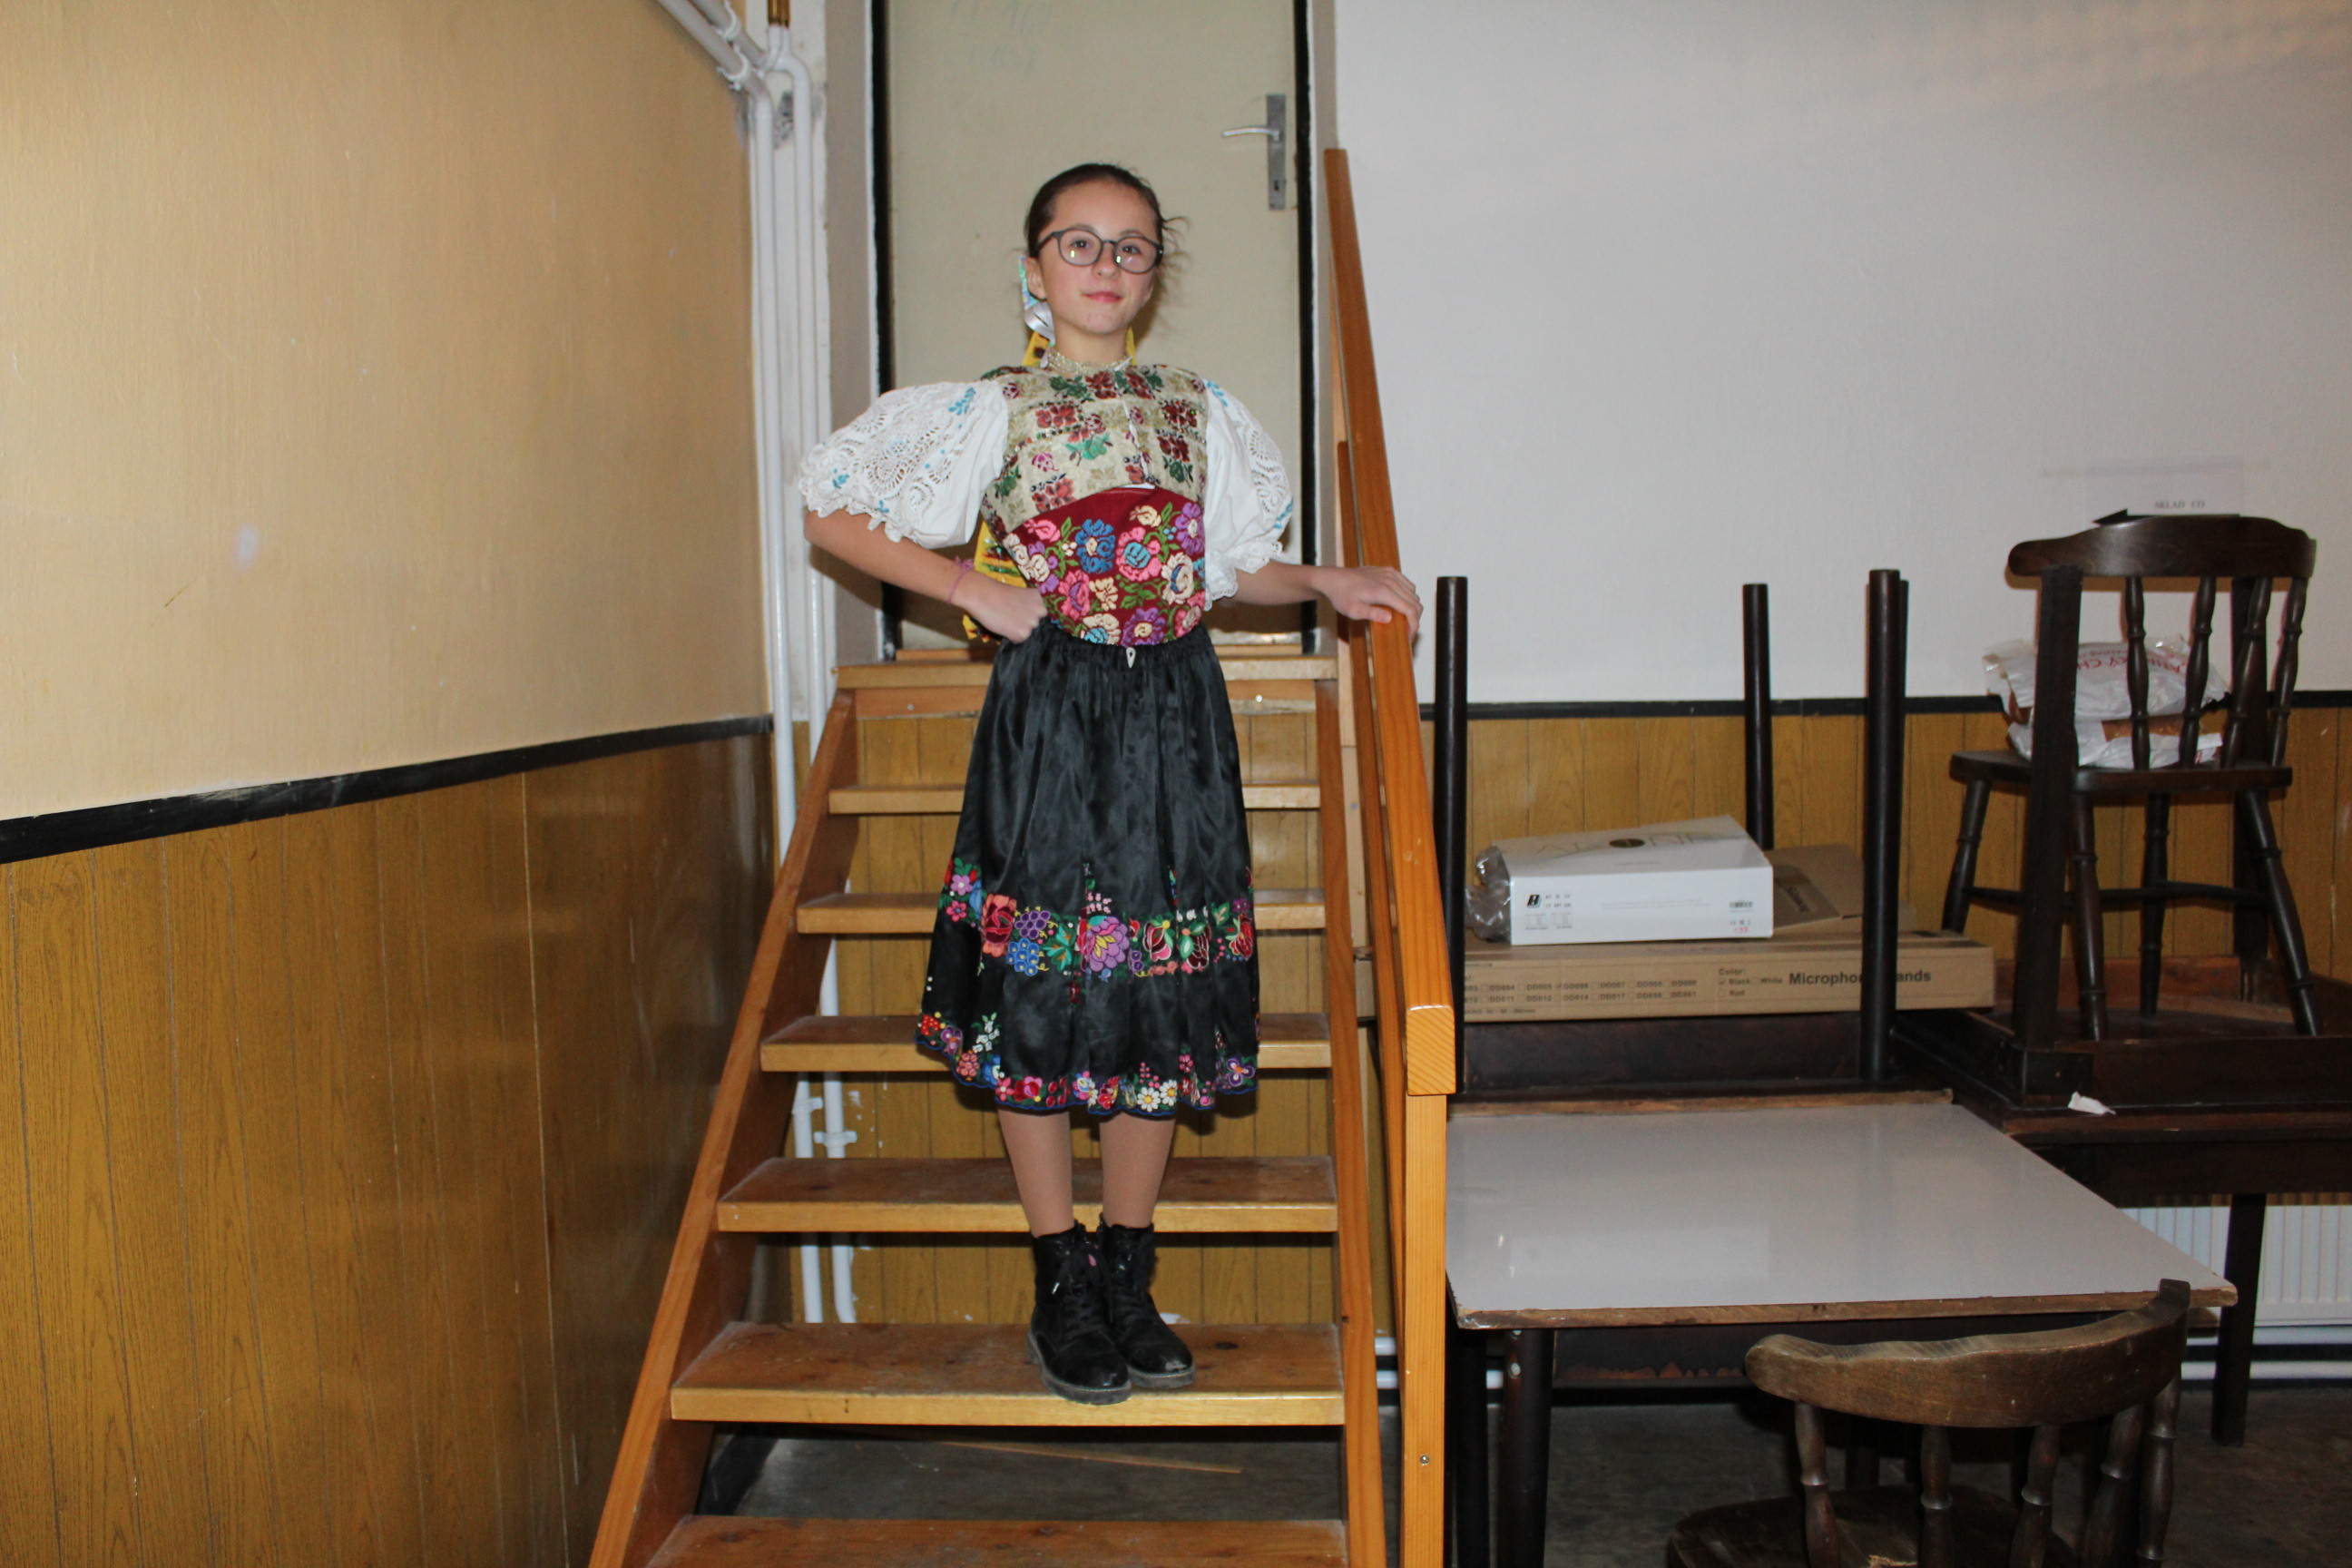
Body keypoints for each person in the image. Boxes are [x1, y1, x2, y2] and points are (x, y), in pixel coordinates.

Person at [799, 162, 1419, 1404]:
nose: (1105, 265)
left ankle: (1128, 1272)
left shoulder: (1196, 407)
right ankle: (1059, 1275)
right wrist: (972, 589)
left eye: (1131, 246)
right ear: (1035, 267)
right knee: (1041, 980)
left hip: (1176, 714)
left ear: (1153, 273)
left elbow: (1231, 565)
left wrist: (1322, 581)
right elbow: (833, 510)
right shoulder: (992, 409)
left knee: (1156, 984)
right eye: (1078, 243)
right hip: (1050, 716)